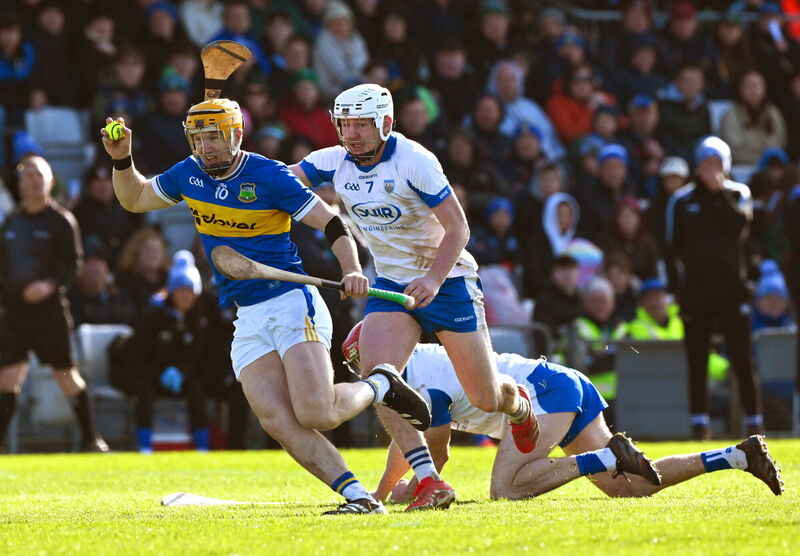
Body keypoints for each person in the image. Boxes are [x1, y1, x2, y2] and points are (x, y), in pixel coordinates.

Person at [101, 88, 430, 515]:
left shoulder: (269, 175)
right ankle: (359, 498)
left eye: (215, 137)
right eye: (199, 140)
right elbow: (134, 198)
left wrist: (351, 269)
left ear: (236, 135)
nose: (207, 147)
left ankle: (382, 383)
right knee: (276, 420)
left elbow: (331, 223)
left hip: (292, 302)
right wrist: (122, 159)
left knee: (318, 411)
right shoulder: (188, 174)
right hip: (248, 314)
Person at [290, 83, 539, 511]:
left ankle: (516, 403)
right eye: (344, 124)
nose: (351, 134)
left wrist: (434, 280)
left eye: (361, 125)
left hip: (449, 281)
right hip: (389, 286)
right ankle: (428, 480)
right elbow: (279, 180)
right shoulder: (332, 162)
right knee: (379, 379)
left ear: (385, 124)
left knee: (484, 397)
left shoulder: (415, 162)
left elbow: (459, 229)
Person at [338, 324, 783, 502]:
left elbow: (433, 453)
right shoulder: (420, 363)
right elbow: (414, 445)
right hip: (557, 382)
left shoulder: (414, 376)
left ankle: (608, 456)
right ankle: (738, 456)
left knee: (506, 490)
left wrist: (389, 494)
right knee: (630, 488)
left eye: (359, 361)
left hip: (544, 392)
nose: (361, 370)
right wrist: (387, 490)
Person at [0, 156, 108, 453]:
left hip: (48, 313)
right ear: (20, 185)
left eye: (39, 175)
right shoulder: (12, 222)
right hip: (15, 314)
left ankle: (91, 439)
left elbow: (73, 266)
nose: (33, 180)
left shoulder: (61, 220)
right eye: (28, 176)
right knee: (7, 378)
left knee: (65, 375)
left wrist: (47, 285)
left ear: (50, 181)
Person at [665, 136, 764, 440]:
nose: (711, 169)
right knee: (697, 359)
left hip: (732, 290)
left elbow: (740, 228)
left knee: (741, 357)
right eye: (706, 163)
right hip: (696, 293)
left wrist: (718, 193)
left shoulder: (738, 193)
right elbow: (671, 249)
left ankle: (754, 420)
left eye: (717, 163)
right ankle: (699, 421)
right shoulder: (681, 200)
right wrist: (679, 290)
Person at [109, 251, 211, 454]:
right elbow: (136, 355)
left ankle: (202, 446)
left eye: (190, 291)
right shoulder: (153, 315)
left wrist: (181, 372)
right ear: (172, 291)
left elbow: (195, 355)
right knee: (143, 389)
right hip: (144, 372)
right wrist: (158, 374)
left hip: (173, 376)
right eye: (181, 289)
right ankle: (145, 445)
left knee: (196, 389)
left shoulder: (197, 320)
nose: (185, 296)